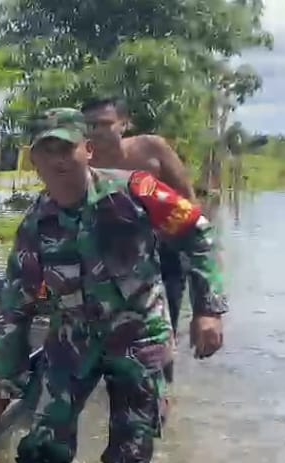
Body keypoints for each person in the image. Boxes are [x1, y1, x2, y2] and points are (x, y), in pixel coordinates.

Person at [0, 108, 227, 463]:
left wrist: (207, 310)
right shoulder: (34, 225)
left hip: (139, 334)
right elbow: (16, 307)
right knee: (40, 454)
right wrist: (3, 384)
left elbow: (198, 233)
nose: (58, 160)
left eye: (66, 148)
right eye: (46, 150)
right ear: (34, 161)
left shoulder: (137, 191)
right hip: (73, 337)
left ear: (88, 151)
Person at [81, 97, 197, 383]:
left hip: (165, 251)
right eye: (90, 125)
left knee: (161, 324)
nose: (97, 131)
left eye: (105, 124)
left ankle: (162, 390)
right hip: (115, 256)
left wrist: (191, 253)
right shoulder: (84, 159)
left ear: (124, 123)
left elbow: (189, 200)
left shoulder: (150, 149)